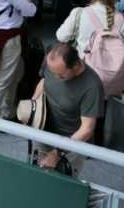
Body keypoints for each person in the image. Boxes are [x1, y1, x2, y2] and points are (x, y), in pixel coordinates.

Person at [32, 43, 104, 177]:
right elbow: (44, 82)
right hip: (44, 131)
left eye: (60, 75)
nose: (55, 77)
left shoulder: (92, 86)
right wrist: (32, 107)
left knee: (62, 184)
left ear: (75, 66)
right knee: (37, 175)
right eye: (51, 72)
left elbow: (86, 129)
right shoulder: (52, 63)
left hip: (71, 144)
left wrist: (57, 152)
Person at [56, 0, 124, 54]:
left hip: (83, 62)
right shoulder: (121, 19)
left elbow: (61, 36)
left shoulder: (79, 13)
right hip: (111, 64)